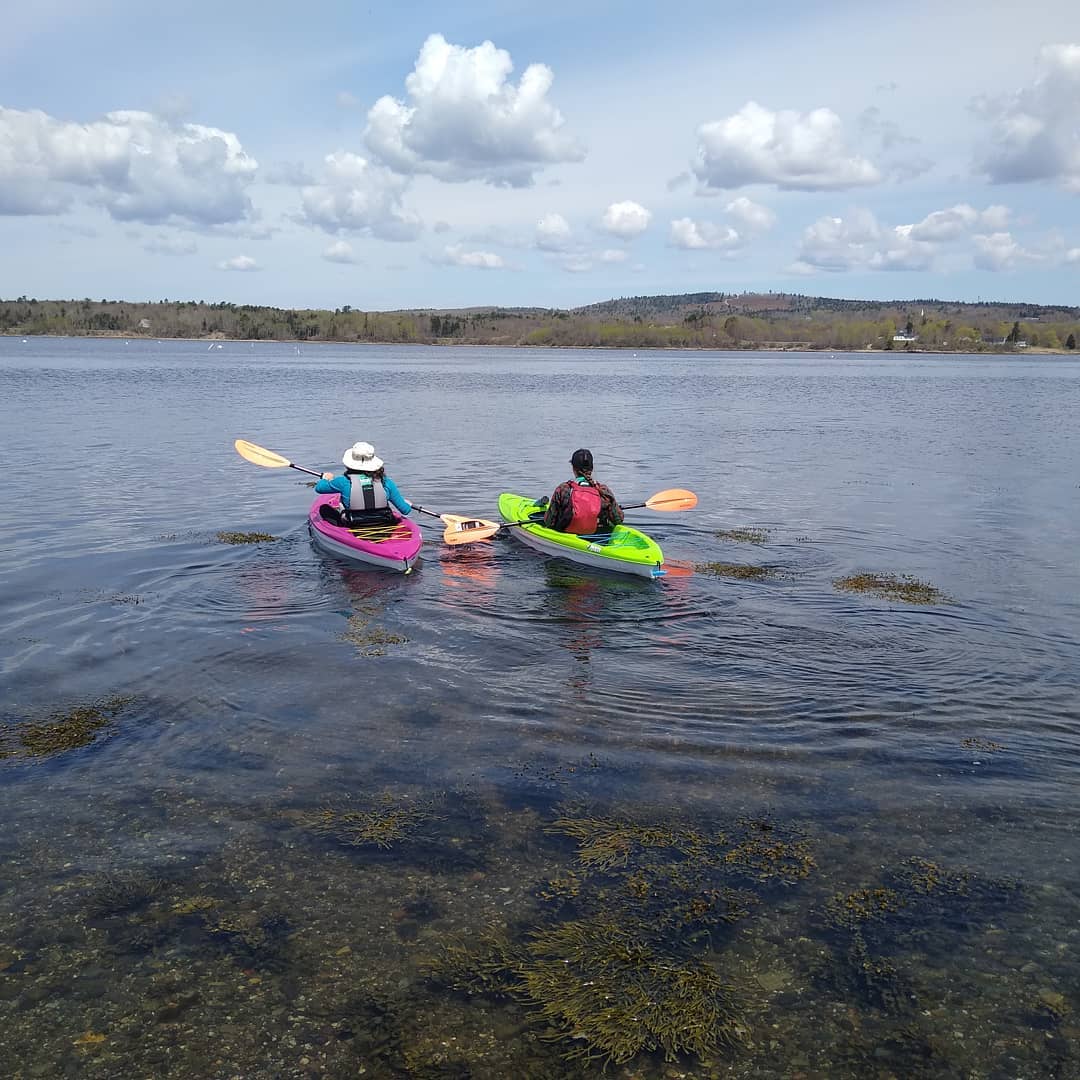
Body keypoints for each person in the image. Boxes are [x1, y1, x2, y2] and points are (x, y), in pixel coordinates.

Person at [315, 442, 413, 526]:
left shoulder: (342, 481)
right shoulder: (386, 482)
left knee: (324, 509)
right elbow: (405, 510)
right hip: (383, 521)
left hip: (352, 523)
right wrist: (408, 504)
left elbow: (319, 488)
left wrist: (326, 478)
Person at [542, 448, 624, 534]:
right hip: (595, 538)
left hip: (566, 537)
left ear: (573, 468)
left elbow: (549, 522)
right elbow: (618, 520)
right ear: (592, 468)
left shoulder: (563, 489)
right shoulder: (603, 490)